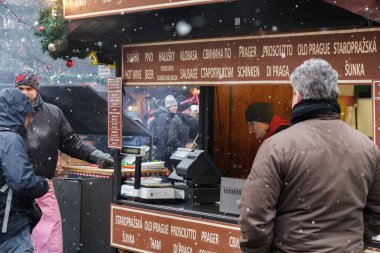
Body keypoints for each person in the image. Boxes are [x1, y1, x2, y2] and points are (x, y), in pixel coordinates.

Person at [238, 58, 380, 252]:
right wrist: (353, 243)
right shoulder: (368, 147)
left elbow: (254, 218)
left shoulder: (277, 146)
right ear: (333, 94)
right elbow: (376, 211)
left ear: (298, 95)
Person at [14, 68, 114, 253]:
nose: (25, 93)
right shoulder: (7, 113)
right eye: (21, 89)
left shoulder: (53, 113)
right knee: (15, 240)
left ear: (37, 89)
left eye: (29, 88)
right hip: (13, 189)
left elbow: (71, 142)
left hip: (43, 188)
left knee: (49, 242)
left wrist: (96, 155)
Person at [0, 88, 49, 253]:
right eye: (27, 114)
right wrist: (43, 184)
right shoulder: (10, 139)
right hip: (10, 225)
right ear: (17, 112)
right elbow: (22, 181)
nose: (29, 119)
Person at [154, 95, 178, 168]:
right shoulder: (163, 116)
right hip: (163, 154)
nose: (175, 107)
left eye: (176, 105)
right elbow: (160, 135)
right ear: (168, 107)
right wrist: (166, 150)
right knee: (165, 175)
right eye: (172, 106)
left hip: (167, 152)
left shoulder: (170, 116)